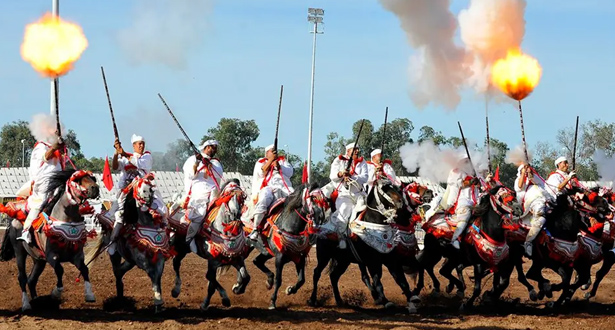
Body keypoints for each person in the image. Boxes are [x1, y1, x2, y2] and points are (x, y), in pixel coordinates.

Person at [110, 134, 162, 244]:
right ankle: (113, 240)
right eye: (139, 144)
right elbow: (115, 167)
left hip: (144, 190)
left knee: (162, 209)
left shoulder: (147, 156)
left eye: (143, 144)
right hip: (127, 189)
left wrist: (123, 153)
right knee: (116, 213)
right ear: (134, 145)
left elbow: (137, 163)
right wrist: (116, 152)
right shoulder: (124, 158)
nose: (141, 146)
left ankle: (164, 233)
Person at [18, 137, 65, 243]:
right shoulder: (41, 146)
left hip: (60, 179)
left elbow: (64, 160)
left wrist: (62, 150)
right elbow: (45, 157)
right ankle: (26, 231)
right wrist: (54, 148)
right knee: (40, 203)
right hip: (44, 181)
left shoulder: (60, 147)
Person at [183, 140, 224, 250]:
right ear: (205, 147)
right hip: (199, 189)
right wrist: (197, 162)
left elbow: (218, 173)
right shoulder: (193, 159)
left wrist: (208, 164)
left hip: (213, 189)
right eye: (211, 147)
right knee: (200, 214)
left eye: (215, 147)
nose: (213, 149)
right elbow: (191, 175)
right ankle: (189, 239)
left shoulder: (216, 162)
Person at [249, 144, 294, 240]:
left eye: (275, 151)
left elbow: (290, 172)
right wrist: (270, 161)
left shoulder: (283, 161)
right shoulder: (261, 162)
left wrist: (279, 166)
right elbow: (262, 172)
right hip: (270, 188)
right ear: (267, 153)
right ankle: (256, 228)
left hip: (285, 188)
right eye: (272, 151)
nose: (275, 153)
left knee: (298, 199)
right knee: (264, 197)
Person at [328, 143, 368, 249]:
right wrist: (341, 174)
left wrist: (351, 176)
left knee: (365, 209)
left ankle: (359, 235)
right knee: (344, 212)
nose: (357, 151)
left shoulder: (362, 162)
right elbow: (332, 176)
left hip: (359, 194)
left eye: (358, 149)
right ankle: (341, 237)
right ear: (348, 151)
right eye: (354, 149)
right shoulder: (339, 160)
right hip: (344, 195)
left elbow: (365, 178)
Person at [443, 155, 480, 249]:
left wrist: (486, 180)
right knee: (466, 212)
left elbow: (483, 186)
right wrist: (471, 182)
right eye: (465, 161)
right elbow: (459, 184)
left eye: (468, 161)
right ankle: (454, 239)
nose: (467, 162)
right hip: (464, 201)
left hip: (477, 201)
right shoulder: (456, 171)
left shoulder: (475, 173)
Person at [515, 163, 549, 257]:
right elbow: (520, 186)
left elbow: (537, 181)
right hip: (531, 204)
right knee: (541, 217)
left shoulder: (535, 178)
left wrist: (530, 174)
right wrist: (523, 173)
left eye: (527, 169)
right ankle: (528, 242)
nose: (526, 171)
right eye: (523, 170)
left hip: (545, 202)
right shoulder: (519, 180)